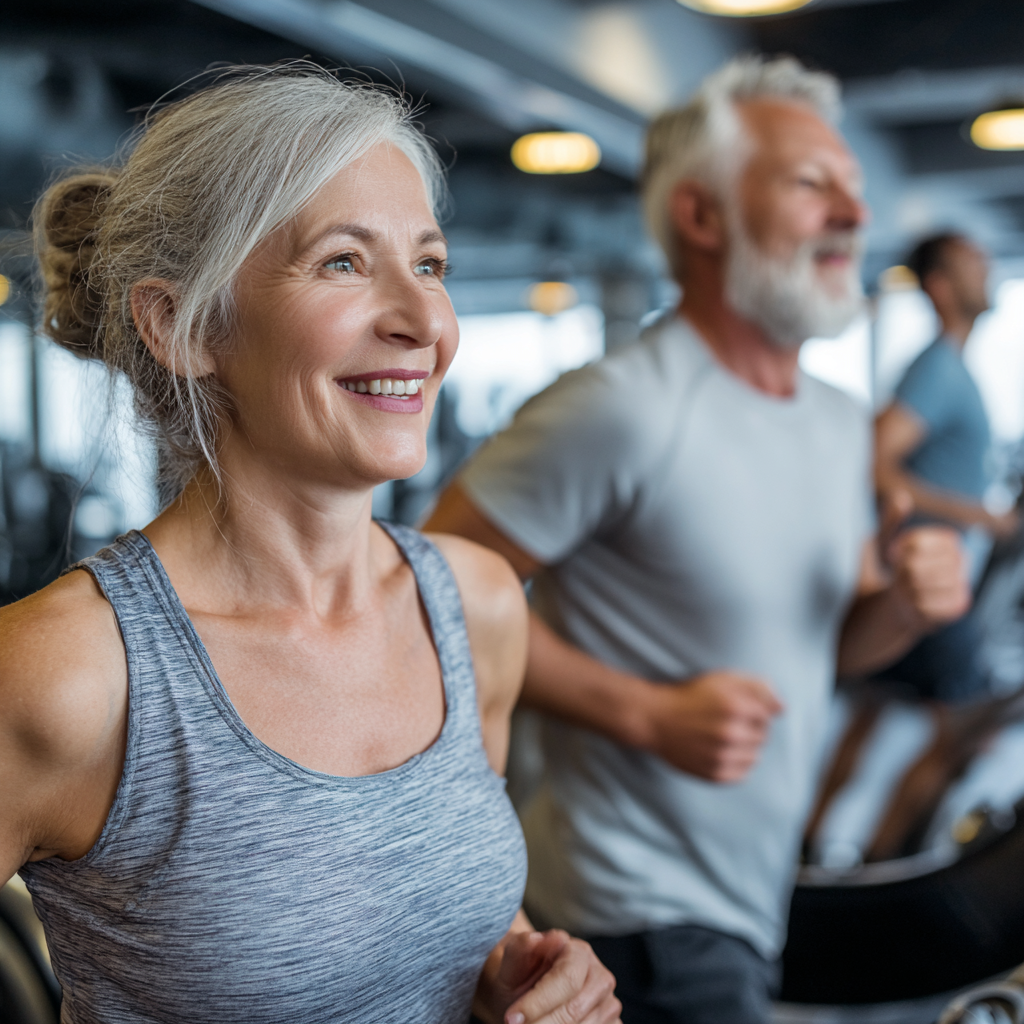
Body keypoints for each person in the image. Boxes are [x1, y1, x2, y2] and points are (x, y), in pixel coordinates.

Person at [0, 66, 620, 1024]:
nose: (424, 324)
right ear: (185, 324)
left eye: (429, 264)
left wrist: (514, 973)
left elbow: (425, 911)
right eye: (342, 261)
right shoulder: (70, 673)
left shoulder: (473, 603)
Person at [425, 56, 969, 1024]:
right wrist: (641, 712)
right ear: (702, 217)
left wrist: (898, 606)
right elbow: (429, 593)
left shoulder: (840, 421)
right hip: (630, 910)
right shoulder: (625, 407)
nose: (853, 211)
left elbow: (825, 651)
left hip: (750, 889)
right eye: (811, 184)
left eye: (852, 186)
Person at [873, 233, 1015, 699]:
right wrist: (977, 515)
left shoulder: (953, 365)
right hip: (926, 568)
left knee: (873, 709)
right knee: (958, 728)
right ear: (940, 286)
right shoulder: (938, 368)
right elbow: (875, 465)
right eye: (972, 261)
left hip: (938, 569)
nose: (987, 266)